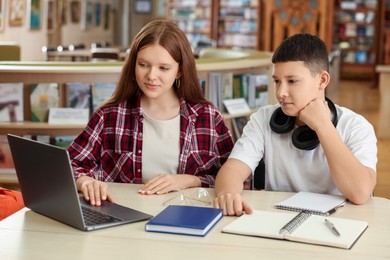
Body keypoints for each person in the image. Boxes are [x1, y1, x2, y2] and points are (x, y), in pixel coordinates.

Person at [68, 20, 234, 206]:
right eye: (143, 64)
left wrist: (189, 180)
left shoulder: (208, 117)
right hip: (121, 219)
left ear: (179, 71)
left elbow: (237, 178)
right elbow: (70, 164)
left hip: (188, 218)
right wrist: (85, 181)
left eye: (163, 68)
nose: (151, 76)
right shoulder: (109, 115)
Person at [213, 33, 377, 216]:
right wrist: (227, 193)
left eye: (292, 81)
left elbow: (361, 193)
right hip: (275, 221)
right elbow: (233, 169)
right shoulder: (263, 119)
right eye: (277, 81)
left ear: (322, 80)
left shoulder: (356, 126)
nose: (281, 92)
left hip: (337, 223)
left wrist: (323, 126)